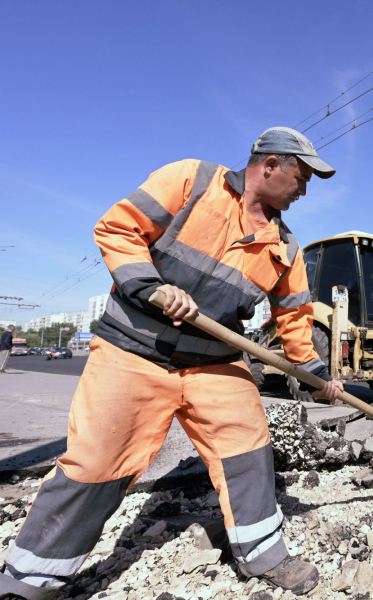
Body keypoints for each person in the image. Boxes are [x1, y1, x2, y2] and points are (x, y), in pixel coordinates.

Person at [0, 127, 343, 600]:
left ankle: (262, 553)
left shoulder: (285, 247)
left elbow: (296, 318)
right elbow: (117, 228)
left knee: (247, 446)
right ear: (269, 165)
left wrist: (319, 375)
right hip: (133, 350)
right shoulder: (192, 182)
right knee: (98, 461)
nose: (304, 190)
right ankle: (30, 580)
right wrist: (153, 286)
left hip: (215, 362)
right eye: (301, 177)